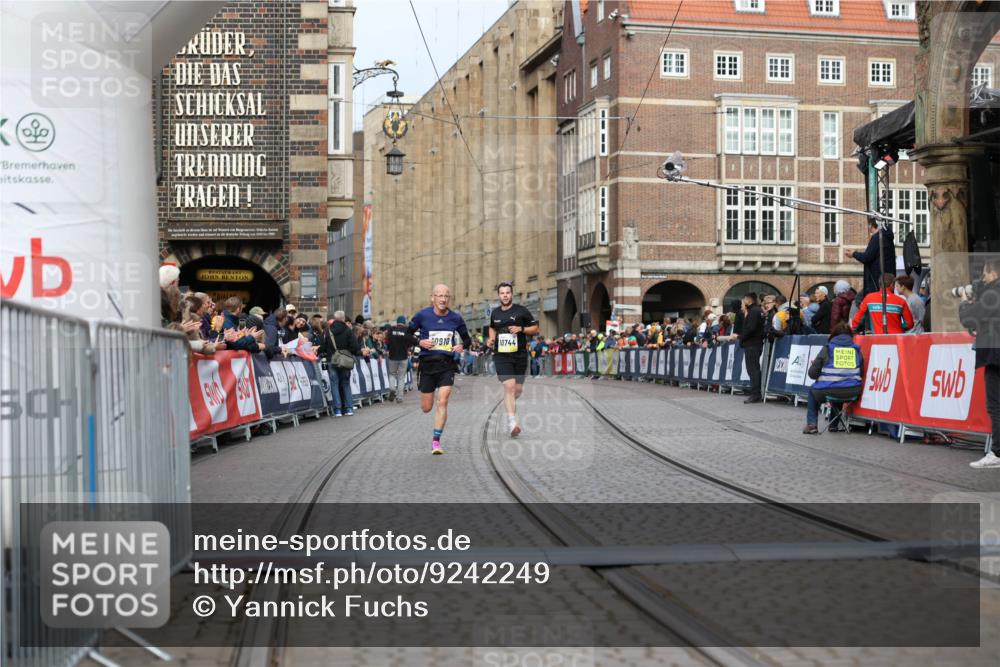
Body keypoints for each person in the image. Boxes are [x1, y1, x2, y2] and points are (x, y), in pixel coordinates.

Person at [407, 284, 471, 455]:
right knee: (426, 407)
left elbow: (467, 339)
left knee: (442, 401)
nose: (443, 299)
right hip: (427, 365)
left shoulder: (455, 318)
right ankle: (430, 401)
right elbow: (407, 334)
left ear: (449, 298)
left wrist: (462, 346)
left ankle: (436, 441)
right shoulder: (422, 315)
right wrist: (419, 342)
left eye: (446, 296)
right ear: (432, 297)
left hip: (446, 365)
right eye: (439, 296)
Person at [960, 259, 1000, 468]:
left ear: (993, 273)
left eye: (984, 275)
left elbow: (968, 318)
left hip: (995, 355)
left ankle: (997, 453)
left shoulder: (993, 294)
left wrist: (965, 302)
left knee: (995, 405)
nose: (983, 279)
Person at [488, 281, 540, 437]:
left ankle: (509, 403)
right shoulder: (495, 313)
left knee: (516, 390)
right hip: (501, 355)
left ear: (511, 294)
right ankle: (512, 423)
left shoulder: (521, 311)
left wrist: (521, 329)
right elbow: (492, 327)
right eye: (502, 293)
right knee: (509, 386)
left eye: (507, 293)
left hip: (519, 355)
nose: (505, 295)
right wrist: (491, 339)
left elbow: (535, 328)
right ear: (499, 295)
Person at [802, 322, 864, 435]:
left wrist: (817, 366)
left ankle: (812, 425)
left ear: (834, 335)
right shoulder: (856, 350)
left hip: (830, 390)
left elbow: (812, 374)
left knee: (813, 391)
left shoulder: (827, 348)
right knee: (840, 387)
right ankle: (833, 425)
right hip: (853, 391)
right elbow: (861, 372)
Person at [318, 310, 359, 416]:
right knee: (346, 384)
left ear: (335, 319)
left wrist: (318, 350)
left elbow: (323, 346)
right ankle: (349, 409)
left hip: (331, 359)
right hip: (345, 360)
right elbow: (355, 347)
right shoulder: (348, 330)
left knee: (334, 384)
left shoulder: (328, 330)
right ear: (344, 318)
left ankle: (337, 410)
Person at [845, 220, 896, 298]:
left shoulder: (877, 238)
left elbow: (867, 257)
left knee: (860, 300)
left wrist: (854, 254)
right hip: (885, 278)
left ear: (871, 226)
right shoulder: (887, 237)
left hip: (876, 280)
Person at [737, 292, 765, 403]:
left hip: (752, 344)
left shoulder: (754, 311)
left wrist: (740, 337)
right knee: (753, 369)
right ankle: (755, 392)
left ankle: (756, 394)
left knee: (753, 369)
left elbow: (751, 328)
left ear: (748, 300)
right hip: (754, 343)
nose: (743, 302)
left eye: (744, 300)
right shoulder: (757, 310)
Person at [386, 315, 412, 403]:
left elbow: (387, 342)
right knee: (401, 377)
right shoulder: (406, 330)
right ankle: (399, 397)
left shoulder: (391, 329)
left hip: (392, 356)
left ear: (397, 322)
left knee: (392, 374)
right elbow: (409, 343)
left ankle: (392, 389)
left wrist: (389, 349)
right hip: (403, 356)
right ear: (404, 322)